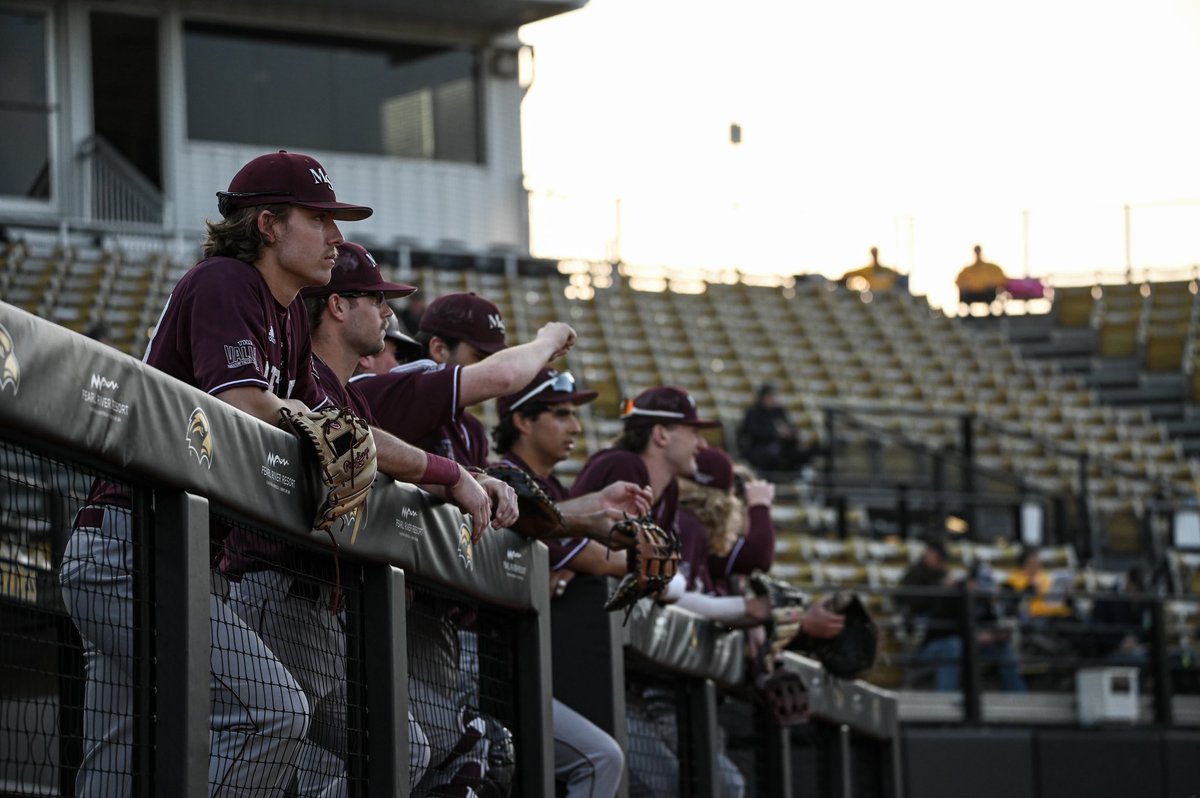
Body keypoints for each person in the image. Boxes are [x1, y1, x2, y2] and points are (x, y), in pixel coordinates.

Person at [60, 150, 371, 796]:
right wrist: (295, 414)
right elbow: (242, 405)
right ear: (267, 224)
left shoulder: (287, 316)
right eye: (320, 219)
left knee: (120, 768)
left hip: (171, 552)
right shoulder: (224, 283)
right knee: (273, 712)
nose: (336, 237)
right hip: (131, 545)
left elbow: (336, 423)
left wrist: (446, 474)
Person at [220, 241, 513, 796]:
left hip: (319, 608)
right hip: (273, 592)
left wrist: (470, 473)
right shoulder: (304, 376)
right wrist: (451, 473)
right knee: (274, 737)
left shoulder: (347, 392)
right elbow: (353, 438)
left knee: (401, 750)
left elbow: (372, 447)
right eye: (377, 300)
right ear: (336, 306)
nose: (388, 313)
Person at [492, 367, 662, 798]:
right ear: (522, 421)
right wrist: (635, 558)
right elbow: (599, 560)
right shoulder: (505, 474)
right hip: (483, 656)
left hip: (518, 659)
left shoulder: (553, 487)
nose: (576, 427)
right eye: (562, 414)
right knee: (601, 758)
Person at [900, 541, 1025, 692]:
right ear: (971, 583)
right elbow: (942, 628)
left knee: (1003, 650)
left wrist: (996, 635)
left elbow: (989, 622)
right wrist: (975, 636)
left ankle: (1017, 696)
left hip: (971, 641)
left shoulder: (983, 599)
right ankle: (945, 698)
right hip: (938, 642)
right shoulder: (951, 595)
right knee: (953, 647)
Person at [737, 383, 810, 475]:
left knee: (802, 453)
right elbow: (751, 432)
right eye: (769, 396)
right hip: (760, 447)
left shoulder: (779, 412)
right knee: (773, 455)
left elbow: (789, 427)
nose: (772, 399)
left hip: (782, 446)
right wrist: (775, 434)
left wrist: (791, 434)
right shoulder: (753, 412)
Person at [955, 244, 1007, 312]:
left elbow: (1002, 279)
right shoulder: (967, 270)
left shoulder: (991, 268)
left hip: (986, 292)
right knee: (965, 293)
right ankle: (968, 312)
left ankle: (990, 311)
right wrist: (964, 285)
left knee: (991, 291)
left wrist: (993, 283)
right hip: (972, 293)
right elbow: (958, 281)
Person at [839, 247, 907, 292]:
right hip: (874, 297)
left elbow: (899, 277)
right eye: (873, 253)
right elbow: (847, 274)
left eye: (875, 253)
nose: (875, 255)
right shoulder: (867, 271)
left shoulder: (887, 271)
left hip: (887, 297)